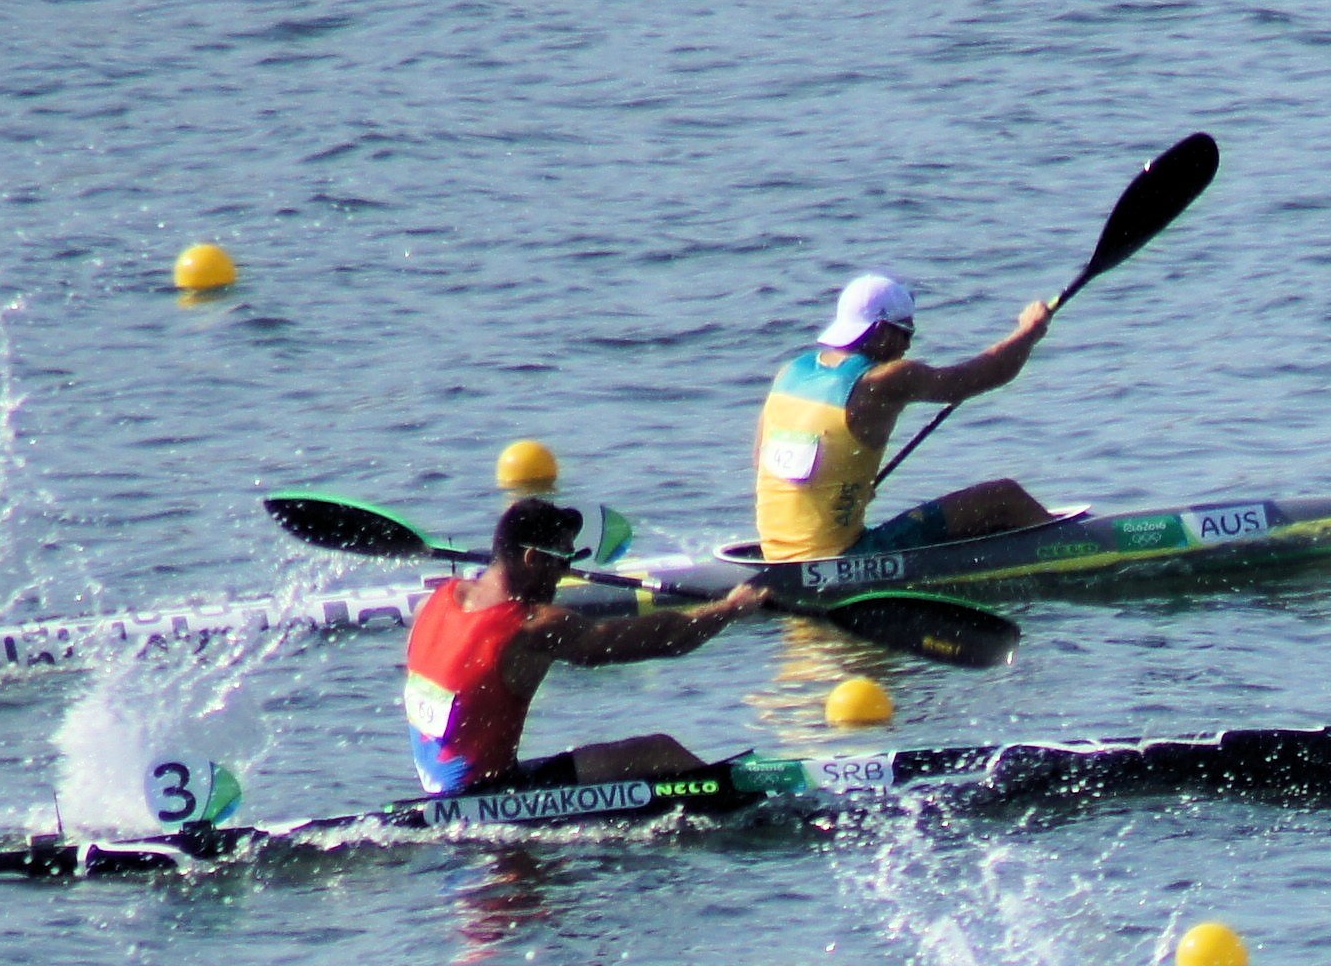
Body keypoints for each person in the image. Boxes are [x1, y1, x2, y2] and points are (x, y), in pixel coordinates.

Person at [398, 499, 770, 796]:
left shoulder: (435, 601)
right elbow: (665, 639)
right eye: (563, 560)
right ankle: (740, 803)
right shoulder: (532, 627)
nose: (565, 573)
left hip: (440, 789)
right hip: (488, 794)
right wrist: (730, 609)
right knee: (659, 753)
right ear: (531, 559)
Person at [753, 271, 1058, 564]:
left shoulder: (789, 374)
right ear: (882, 329)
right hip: (840, 559)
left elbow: (763, 462)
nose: (909, 344)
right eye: (906, 331)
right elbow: (981, 376)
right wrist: (1029, 332)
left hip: (775, 556)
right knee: (1003, 497)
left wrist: (845, 489)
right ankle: (1077, 553)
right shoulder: (883, 380)